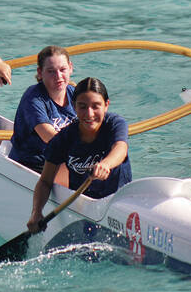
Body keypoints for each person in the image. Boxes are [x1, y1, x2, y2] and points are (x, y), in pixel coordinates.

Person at [26, 77, 132, 233]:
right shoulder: (64, 138)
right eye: (82, 106)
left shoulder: (115, 124)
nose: (89, 114)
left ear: (106, 105)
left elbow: (120, 148)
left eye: (96, 106)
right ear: (74, 106)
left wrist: (105, 164)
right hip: (83, 209)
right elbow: (45, 181)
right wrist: (36, 212)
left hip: (119, 204)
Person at [9, 46, 76, 183]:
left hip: (59, 161)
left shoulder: (75, 94)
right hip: (31, 165)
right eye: (51, 71)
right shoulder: (33, 98)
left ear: (70, 68)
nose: (58, 76)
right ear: (40, 73)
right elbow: (49, 137)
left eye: (62, 69)